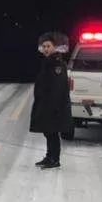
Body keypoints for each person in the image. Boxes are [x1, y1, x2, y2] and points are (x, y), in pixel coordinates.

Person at [30, 32, 73, 169]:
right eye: (44, 47)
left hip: (53, 106)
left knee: (52, 132)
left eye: (48, 46)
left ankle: (55, 159)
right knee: (48, 131)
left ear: (55, 47)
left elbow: (58, 88)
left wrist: (53, 107)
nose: (46, 49)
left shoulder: (57, 64)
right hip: (46, 104)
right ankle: (49, 156)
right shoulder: (49, 62)